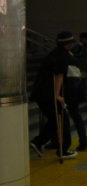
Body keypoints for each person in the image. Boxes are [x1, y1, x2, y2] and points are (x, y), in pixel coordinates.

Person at [29, 31, 78, 159]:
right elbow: (58, 75)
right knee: (62, 120)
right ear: (67, 44)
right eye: (71, 42)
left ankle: (38, 142)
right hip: (47, 94)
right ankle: (63, 150)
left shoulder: (57, 53)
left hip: (41, 93)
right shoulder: (61, 56)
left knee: (55, 120)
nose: (73, 44)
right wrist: (57, 95)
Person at [65, 55, 87, 152]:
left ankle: (82, 141)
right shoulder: (74, 61)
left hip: (70, 94)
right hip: (76, 93)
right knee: (77, 117)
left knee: (73, 117)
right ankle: (83, 140)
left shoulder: (64, 63)